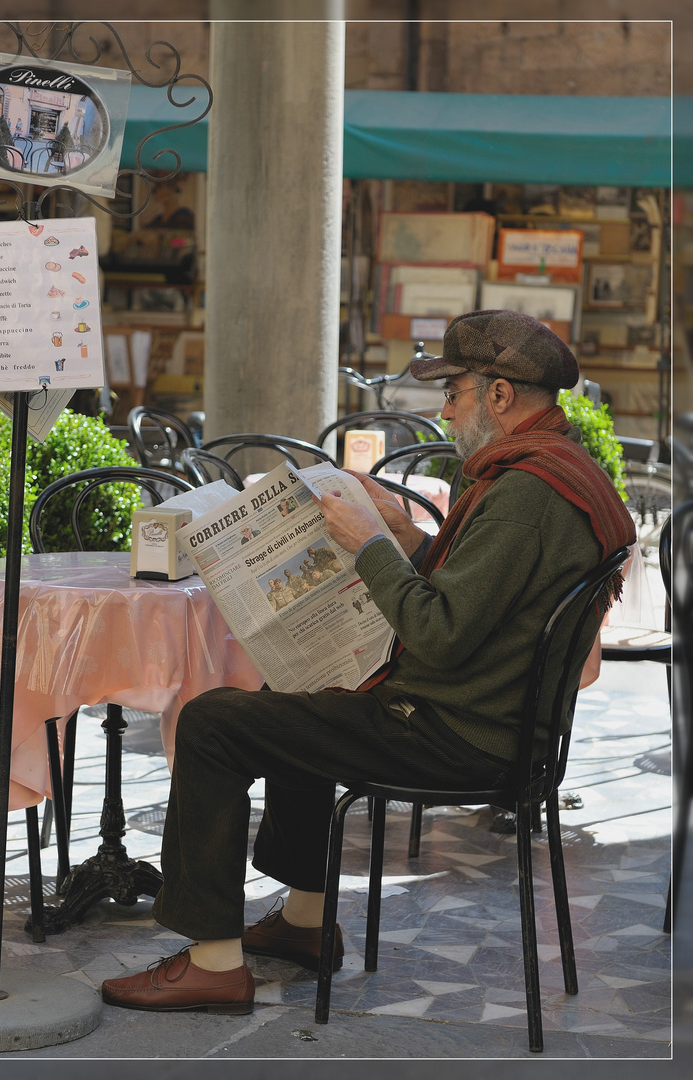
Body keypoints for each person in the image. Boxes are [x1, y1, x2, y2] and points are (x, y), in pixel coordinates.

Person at [100, 309, 635, 1015]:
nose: (444, 412)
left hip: (457, 732)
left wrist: (367, 546)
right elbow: (480, 597)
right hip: (485, 718)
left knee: (211, 722)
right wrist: (405, 531)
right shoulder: (551, 470)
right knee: (297, 688)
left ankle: (214, 962)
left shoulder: (525, 495)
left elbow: (441, 631)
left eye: (455, 393)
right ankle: (304, 924)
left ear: (500, 395)